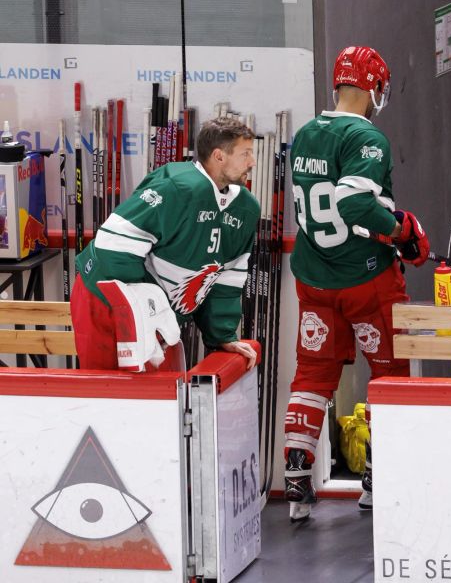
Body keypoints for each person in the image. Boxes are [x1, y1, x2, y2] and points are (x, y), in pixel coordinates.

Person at [284, 45, 430, 522]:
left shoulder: (305, 133)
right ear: (375, 87)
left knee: (313, 374)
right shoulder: (367, 137)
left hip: (313, 277)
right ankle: (377, 477)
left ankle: (297, 475)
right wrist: (406, 230)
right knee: (390, 375)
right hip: (366, 280)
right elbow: (353, 206)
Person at [71, 116, 260, 371]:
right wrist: (142, 310)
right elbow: (112, 246)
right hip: (105, 297)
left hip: (155, 312)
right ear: (219, 156)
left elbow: (226, 277)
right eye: (245, 154)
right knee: (107, 396)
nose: (252, 162)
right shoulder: (177, 187)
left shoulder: (245, 209)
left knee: (157, 400)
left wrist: (223, 335)